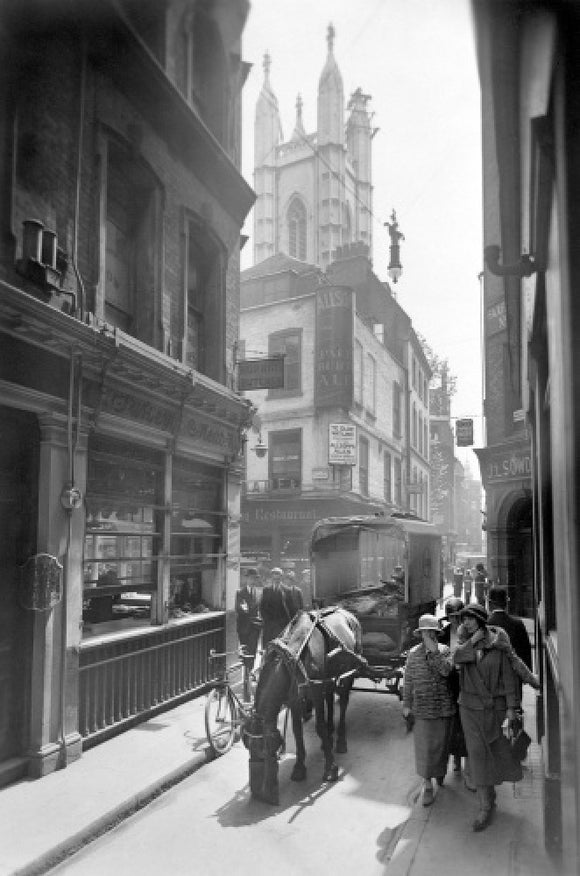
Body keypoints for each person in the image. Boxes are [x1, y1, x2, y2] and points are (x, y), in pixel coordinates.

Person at [454, 603, 521, 831]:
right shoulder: (464, 643)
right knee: (477, 756)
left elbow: (509, 677)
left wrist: (512, 707)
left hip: (495, 708)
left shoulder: (498, 643)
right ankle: (484, 807)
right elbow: (455, 659)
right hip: (469, 708)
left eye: (471, 618)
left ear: (481, 620)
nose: (466, 622)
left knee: (493, 754)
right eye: (464, 618)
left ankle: (491, 797)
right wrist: (471, 641)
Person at [402, 614, 455, 807]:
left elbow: (446, 671)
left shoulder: (445, 650)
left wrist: (435, 653)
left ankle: (439, 772)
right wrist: (407, 705)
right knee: (424, 750)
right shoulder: (413, 654)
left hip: (443, 709)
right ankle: (428, 784)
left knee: (441, 748)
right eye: (425, 632)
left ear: (436, 633)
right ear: (420, 634)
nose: (428, 635)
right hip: (422, 710)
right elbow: (408, 682)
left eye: (431, 632)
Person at [439, 598, 469, 777]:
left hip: (466, 682)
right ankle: (455, 759)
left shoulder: (469, 633)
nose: (454, 620)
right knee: (450, 723)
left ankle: (465, 759)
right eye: (451, 616)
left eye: (458, 616)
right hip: (448, 682)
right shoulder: (442, 633)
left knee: (464, 722)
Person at [487, 586, 532, 670]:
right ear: (506, 603)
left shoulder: (485, 624)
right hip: (514, 674)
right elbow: (526, 653)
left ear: (490, 603)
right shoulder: (517, 624)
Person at [260, 567, 292, 648]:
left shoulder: (287, 591)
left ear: (281, 577)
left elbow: (291, 608)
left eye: (278, 577)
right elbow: (262, 607)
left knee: (281, 648)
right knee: (267, 647)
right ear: (272, 577)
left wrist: (288, 623)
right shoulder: (266, 590)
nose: (276, 579)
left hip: (282, 625)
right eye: (274, 576)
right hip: (269, 625)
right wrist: (266, 619)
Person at [235, 567, 261, 666]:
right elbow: (239, 608)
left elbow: (259, 608)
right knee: (245, 651)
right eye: (250, 578)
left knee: (253, 650)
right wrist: (246, 609)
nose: (252, 581)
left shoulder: (259, 593)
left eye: (254, 578)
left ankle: (250, 672)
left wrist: (259, 620)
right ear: (246, 579)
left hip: (255, 627)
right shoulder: (240, 593)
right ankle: (245, 674)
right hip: (243, 627)